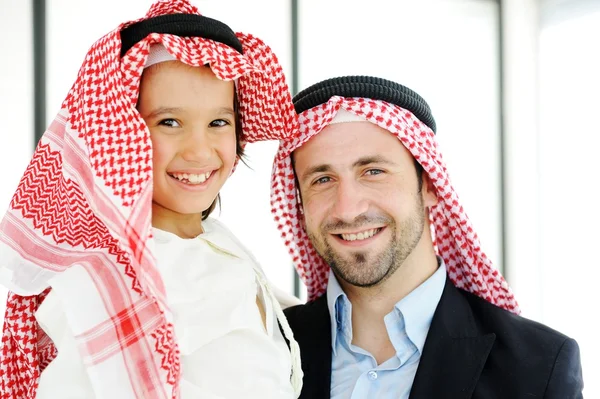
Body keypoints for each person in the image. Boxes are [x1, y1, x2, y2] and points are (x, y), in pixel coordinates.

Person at [0, 1, 303, 398]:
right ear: (118, 138)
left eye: (218, 122)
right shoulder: (105, 284)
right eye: (169, 123)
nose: (199, 151)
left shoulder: (212, 238)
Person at [271, 75, 584, 398]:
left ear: (430, 184)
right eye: (322, 179)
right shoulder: (262, 346)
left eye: (373, 172)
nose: (348, 209)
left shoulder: (539, 367)